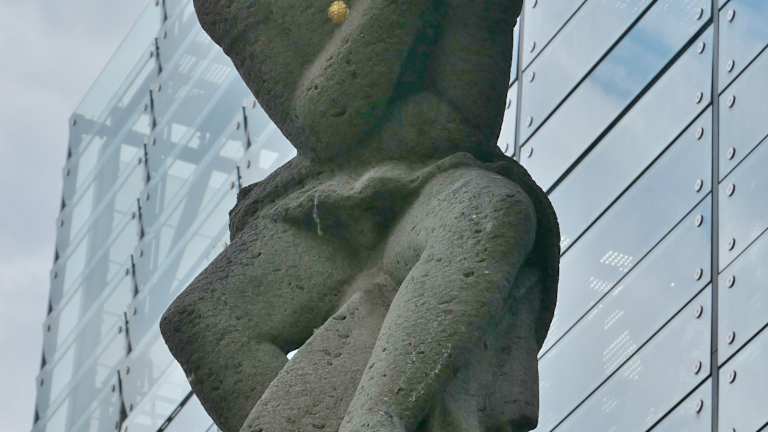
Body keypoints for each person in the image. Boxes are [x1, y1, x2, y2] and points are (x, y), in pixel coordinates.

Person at [160, 1, 560, 431]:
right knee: (203, 321)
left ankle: (378, 417)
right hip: (326, 193)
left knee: (489, 213)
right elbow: (323, 124)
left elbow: (463, 114)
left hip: (434, 173)